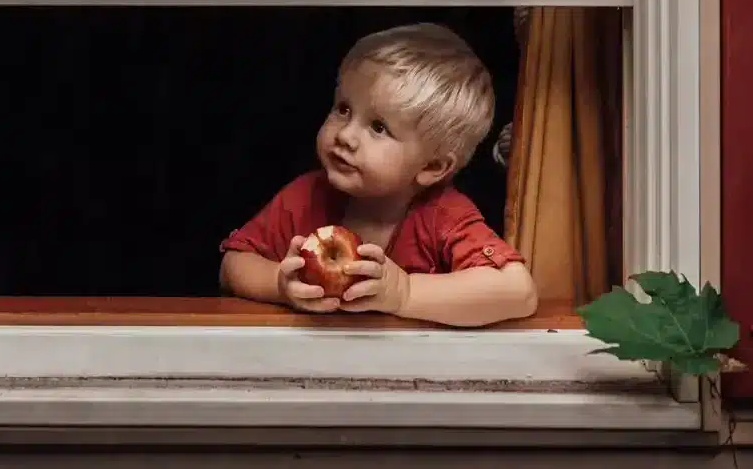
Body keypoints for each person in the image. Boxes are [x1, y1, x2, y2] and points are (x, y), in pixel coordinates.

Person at [218, 22, 538, 327]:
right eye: (343, 109)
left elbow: (517, 291)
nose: (346, 135)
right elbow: (233, 264)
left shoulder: (443, 216)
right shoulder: (306, 195)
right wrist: (280, 284)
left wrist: (404, 293)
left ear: (431, 167)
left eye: (378, 127)